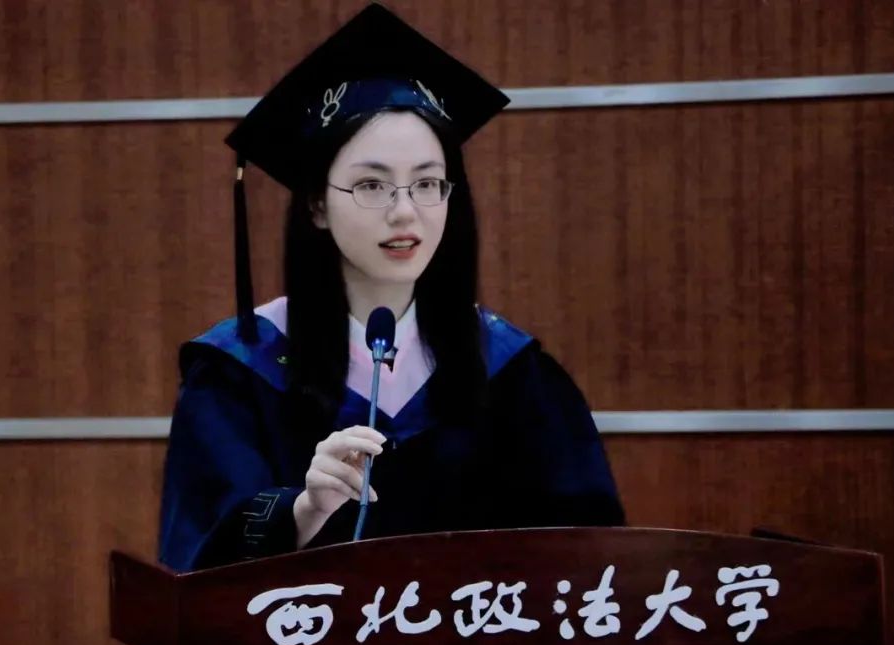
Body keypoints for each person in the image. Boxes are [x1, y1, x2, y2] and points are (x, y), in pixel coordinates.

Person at [158, 4, 624, 573]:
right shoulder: (239, 373)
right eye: (372, 185)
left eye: (427, 183)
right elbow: (199, 562)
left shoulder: (512, 372)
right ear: (316, 205)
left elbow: (587, 556)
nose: (405, 212)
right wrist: (302, 511)